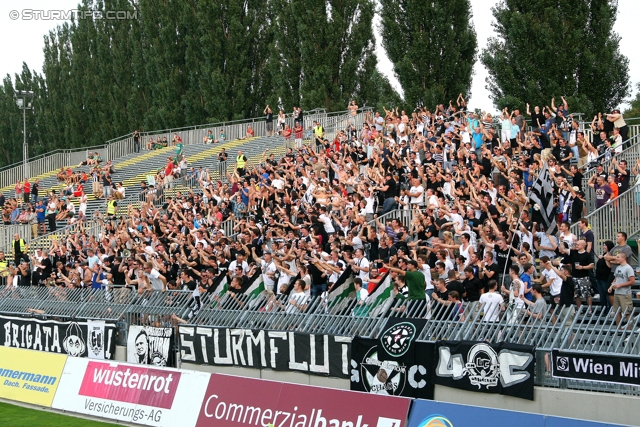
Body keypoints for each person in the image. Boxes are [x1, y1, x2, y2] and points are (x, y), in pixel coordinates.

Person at [608, 252, 635, 327]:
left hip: (625, 294)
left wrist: (620, 285)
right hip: (617, 293)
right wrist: (611, 287)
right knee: (617, 312)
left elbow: (632, 281)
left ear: (623, 258)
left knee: (627, 312)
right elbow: (615, 278)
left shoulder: (628, 268)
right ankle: (618, 330)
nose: (616, 258)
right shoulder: (618, 267)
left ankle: (629, 332)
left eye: (618, 257)